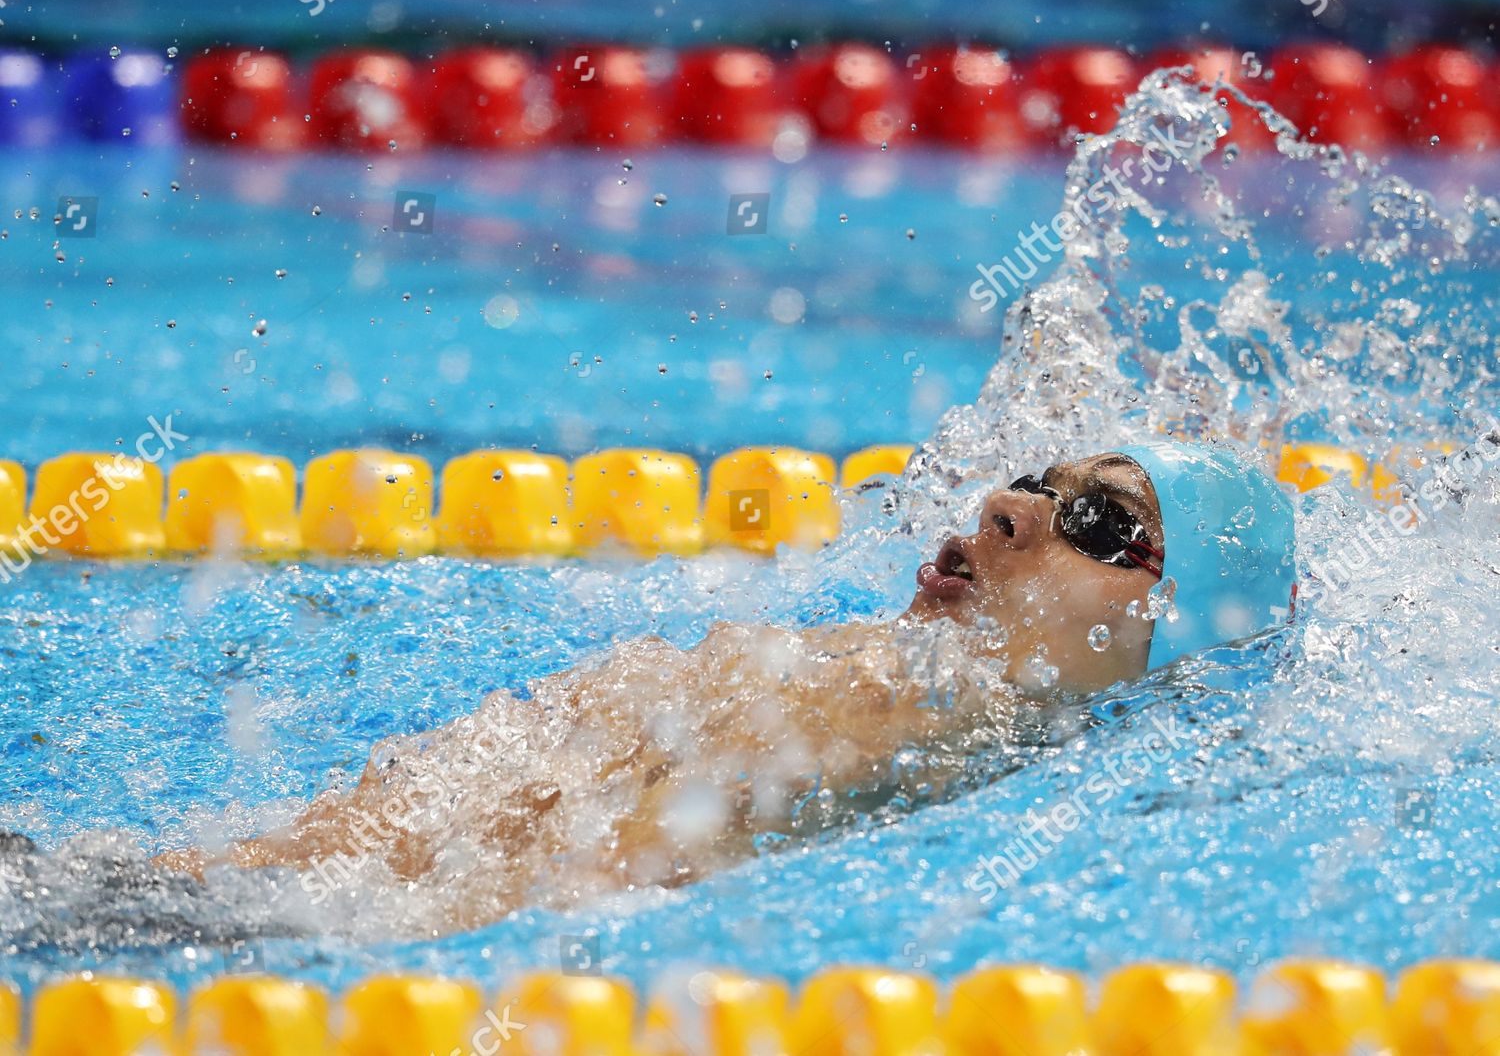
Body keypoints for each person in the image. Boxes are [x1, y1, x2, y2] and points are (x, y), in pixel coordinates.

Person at [151, 441, 1296, 932]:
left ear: (1173, 625)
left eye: (1097, 521)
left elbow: (615, 864)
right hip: (252, 894)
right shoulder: (914, 691)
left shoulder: (954, 724)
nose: (1009, 507)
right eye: (1037, 482)